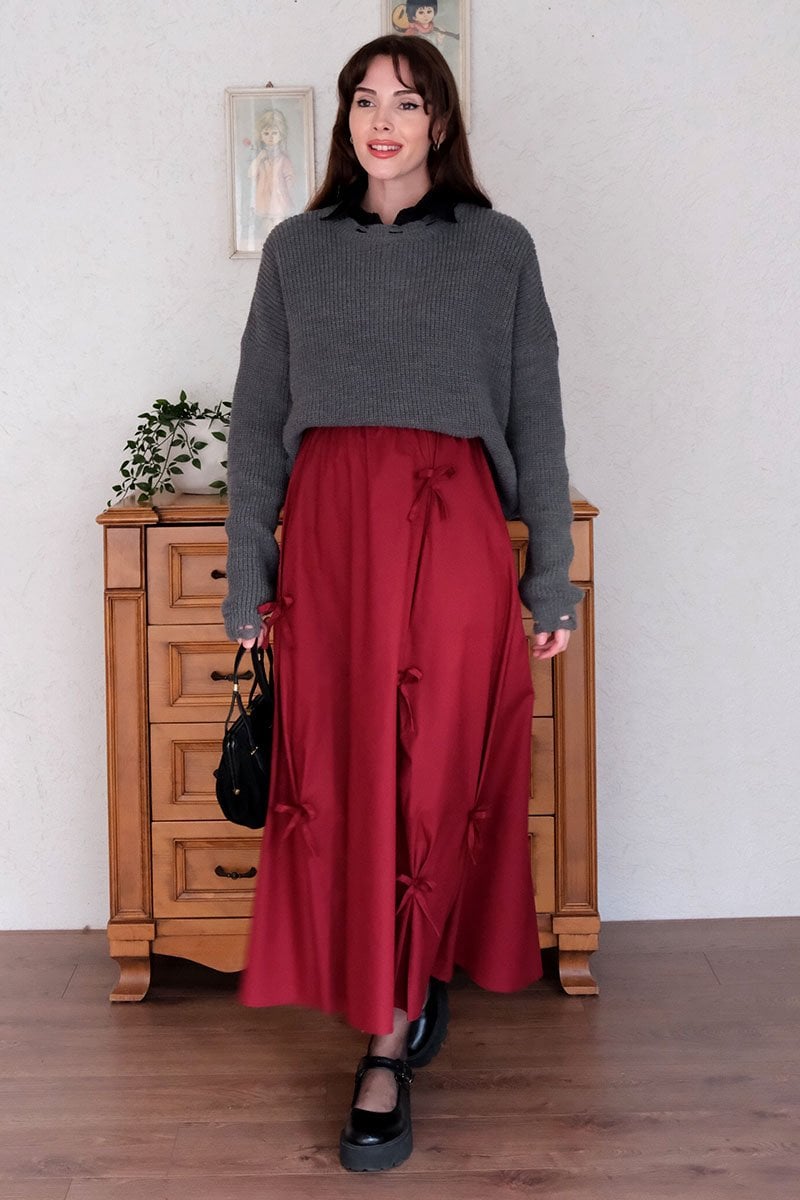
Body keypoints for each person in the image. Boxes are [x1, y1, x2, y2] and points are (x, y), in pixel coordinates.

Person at [221, 33, 584, 1173]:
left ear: (441, 122)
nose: (384, 120)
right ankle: (394, 1001)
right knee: (350, 778)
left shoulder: (498, 249)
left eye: (409, 101)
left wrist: (550, 576)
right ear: (344, 120)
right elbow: (256, 417)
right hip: (333, 543)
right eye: (366, 100)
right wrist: (246, 568)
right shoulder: (297, 251)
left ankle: (388, 1039)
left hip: (455, 532)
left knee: (433, 778)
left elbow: (536, 415)